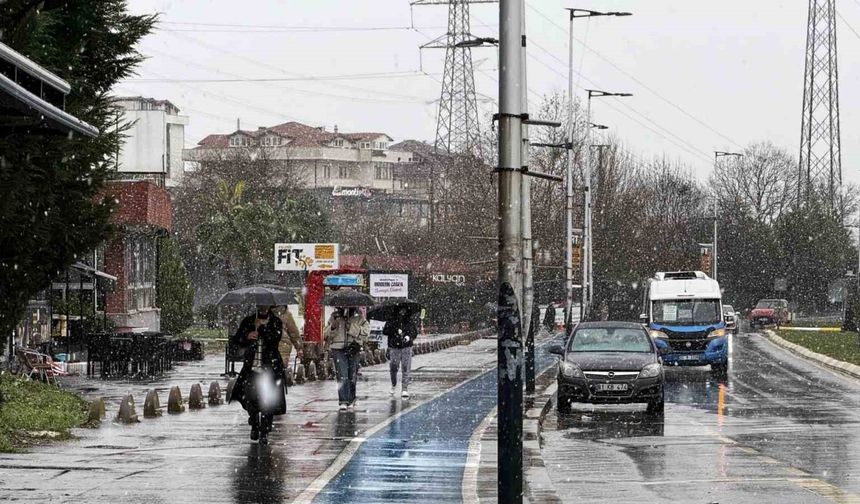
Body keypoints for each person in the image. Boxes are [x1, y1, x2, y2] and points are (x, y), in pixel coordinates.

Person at [228, 306, 287, 445]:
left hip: (270, 368)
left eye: (265, 305)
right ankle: (254, 423)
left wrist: (261, 328)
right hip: (252, 368)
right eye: (260, 304)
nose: (263, 308)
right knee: (250, 398)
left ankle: (264, 431)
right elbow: (237, 340)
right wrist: (247, 336)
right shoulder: (249, 321)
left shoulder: (275, 322)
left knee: (268, 400)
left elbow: (274, 339)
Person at [324, 307, 369, 411]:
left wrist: (352, 327)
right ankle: (343, 400)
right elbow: (326, 334)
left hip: (353, 348)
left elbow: (366, 332)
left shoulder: (359, 317)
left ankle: (351, 398)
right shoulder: (334, 316)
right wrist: (333, 327)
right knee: (342, 374)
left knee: (352, 375)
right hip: (338, 349)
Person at [383, 307, 417, 399]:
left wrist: (408, 337)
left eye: (404, 310)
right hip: (394, 347)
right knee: (394, 366)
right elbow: (385, 331)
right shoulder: (391, 320)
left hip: (407, 347)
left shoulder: (409, 321)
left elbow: (414, 332)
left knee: (406, 367)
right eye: (401, 310)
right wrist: (395, 331)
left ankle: (404, 388)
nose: (402, 312)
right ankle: (393, 384)